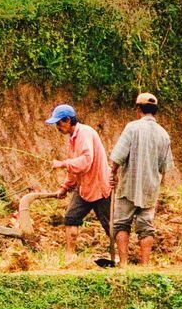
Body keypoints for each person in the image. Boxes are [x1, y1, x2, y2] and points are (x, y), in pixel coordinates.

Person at [109, 92, 174, 267]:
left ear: (138, 109)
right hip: (150, 189)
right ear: (155, 111)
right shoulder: (164, 134)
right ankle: (144, 266)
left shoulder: (132, 128)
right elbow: (165, 167)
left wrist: (113, 174)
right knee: (146, 227)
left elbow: (117, 157)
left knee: (122, 223)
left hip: (128, 187)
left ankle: (123, 264)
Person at [45, 103, 113, 263]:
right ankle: (70, 256)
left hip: (99, 186)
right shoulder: (73, 139)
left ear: (68, 120)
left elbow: (85, 161)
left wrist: (63, 163)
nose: (57, 127)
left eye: (58, 123)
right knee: (70, 217)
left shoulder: (85, 133)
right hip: (84, 187)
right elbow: (75, 169)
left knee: (109, 225)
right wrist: (65, 187)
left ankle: (120, 257)